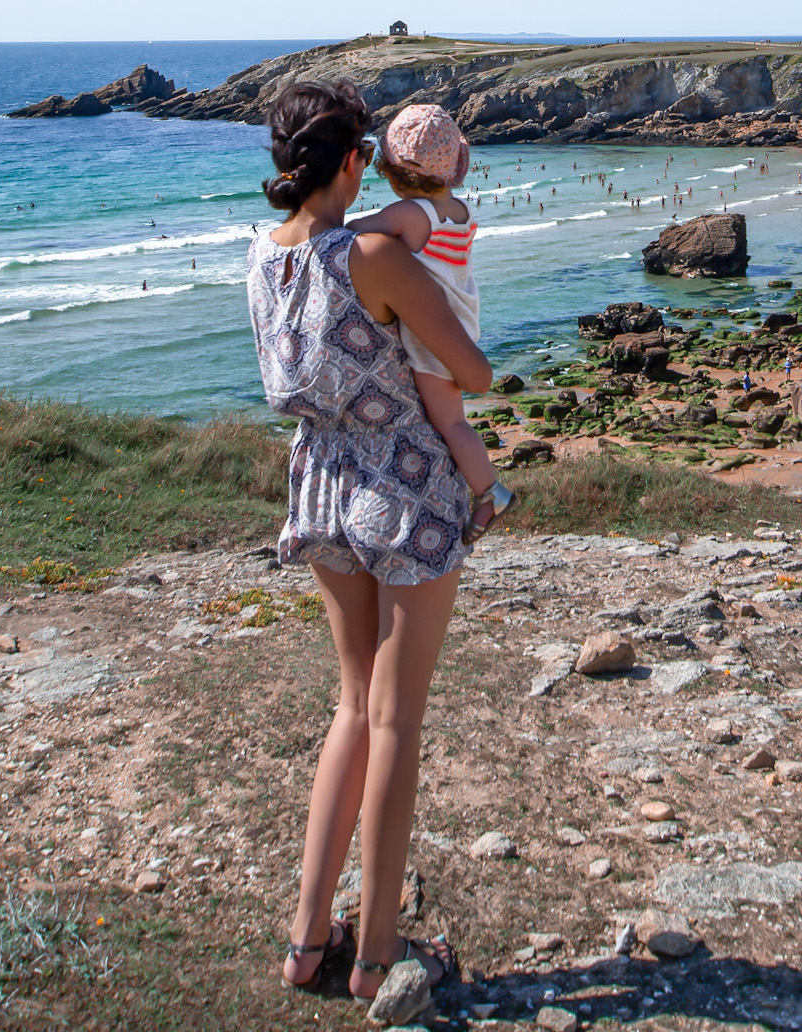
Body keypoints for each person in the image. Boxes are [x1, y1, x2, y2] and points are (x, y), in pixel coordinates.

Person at [245, 77, 493, 1003]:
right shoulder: (374, 258)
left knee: (352, 708)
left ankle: (307, 939)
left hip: (318, 482)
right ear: (356, 160)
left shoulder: (261, 257)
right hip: (405, 484)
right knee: (395, 718)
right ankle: (380, 949)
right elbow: (468, 368)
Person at [348, 103, 512, 544]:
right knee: (451, 417)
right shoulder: (459, 211)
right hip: (462, 319)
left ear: (395, 173)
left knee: (451, 423)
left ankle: (490, 491)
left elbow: (353, 231)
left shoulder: (410, 215)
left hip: (432, 339)